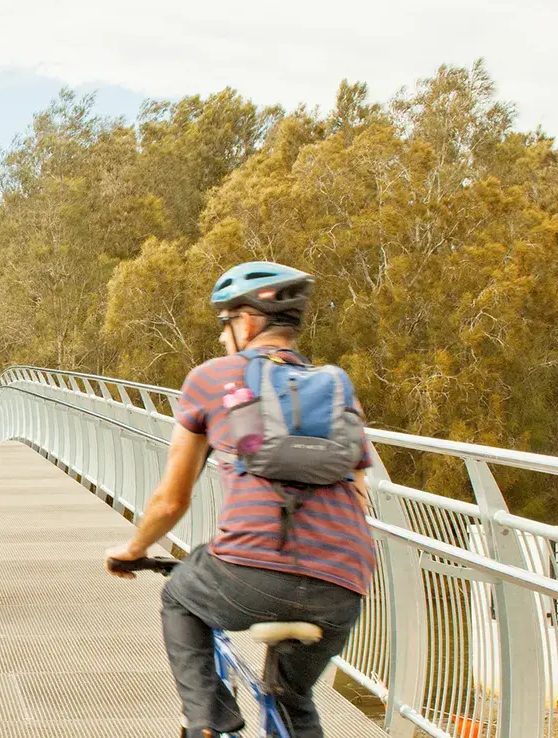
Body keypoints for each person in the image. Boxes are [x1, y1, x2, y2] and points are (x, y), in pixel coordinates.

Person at [104, 262, 375, 738]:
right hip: (343, 581)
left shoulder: (213, 378)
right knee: (293, 698)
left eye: (225, 323)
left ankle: (209, 719)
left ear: (246, 322)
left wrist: (132, 549)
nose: (224, 336)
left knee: (180, 600)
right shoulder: (335, 389)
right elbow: (359, 490)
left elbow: (171, 501)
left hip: (250, 568)